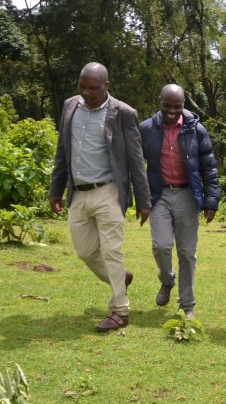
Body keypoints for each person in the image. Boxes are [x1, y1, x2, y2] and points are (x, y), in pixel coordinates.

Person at [48, 62, 151, 332]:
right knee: (85, 252)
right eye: (82, 86)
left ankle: (120, 311)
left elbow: (136, 159)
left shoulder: (123, 113)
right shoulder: (70, 106)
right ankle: (119, 278)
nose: (86, 92)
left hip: (108, 191)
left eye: (92, 88)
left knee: (112, 250)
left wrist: (143, 200)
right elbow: (63, 150)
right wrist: (55, 189)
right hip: (78, 192)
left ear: (106, 86)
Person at [139, 84, 221, 320]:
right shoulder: (146, 129)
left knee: (187, 253)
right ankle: (167, 280)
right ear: (159, 102)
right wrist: (141, 200)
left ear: (184, 104)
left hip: (187, 194)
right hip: (159, 195)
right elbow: (136, 166)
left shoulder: (196, 129)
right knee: (161, 246)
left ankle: (187, 306)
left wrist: (211, 200)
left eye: (177, 106)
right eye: (167, 106)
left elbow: (209, 166)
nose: (172, 111)